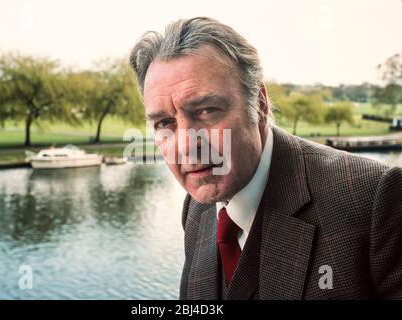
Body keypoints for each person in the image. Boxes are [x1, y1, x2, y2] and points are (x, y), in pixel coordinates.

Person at [129, 17, 402, 299]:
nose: (186, 145)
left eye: (207, 110)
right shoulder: (196, 210)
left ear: (259, 104)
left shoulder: (372, 198)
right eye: (164, 123)